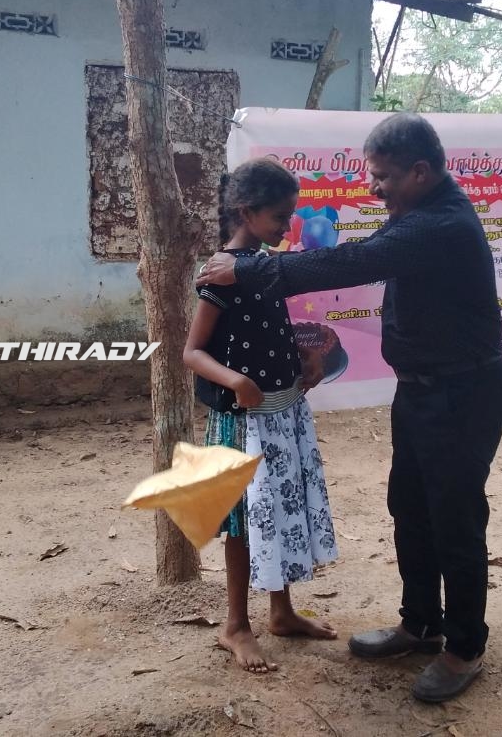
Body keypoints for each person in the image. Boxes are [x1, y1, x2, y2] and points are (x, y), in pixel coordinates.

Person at [197, 113, 502, 702]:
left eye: (383, 176)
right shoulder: (416, 213)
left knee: (454, 518)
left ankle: (465, 646)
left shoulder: (441, 223)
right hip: (421, 390)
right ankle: (421, 624)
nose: (374, 187)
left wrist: (252, 267)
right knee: (410, 508)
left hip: (463, 394)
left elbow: (355, 262)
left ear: (420, 172)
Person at [184, 157, 338, 675]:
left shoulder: (266, 266)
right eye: (279, 216)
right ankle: (235, 625)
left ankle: (281, 612)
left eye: (291, 216)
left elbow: (267, 330)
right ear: (247, 213)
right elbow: (192, 352)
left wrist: (304, 354)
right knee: (245, 522)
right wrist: (235, 381)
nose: (287, 226)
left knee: (280, 510)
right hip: (242, 419)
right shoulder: (221, 274)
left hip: (283, 411)